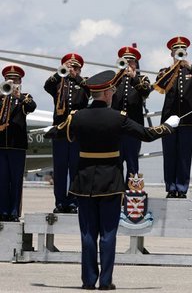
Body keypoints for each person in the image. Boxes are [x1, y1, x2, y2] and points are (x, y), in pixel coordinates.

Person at [44, 70, 180, 290]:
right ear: (107, 93)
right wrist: (168, 127)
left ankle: (88, 281)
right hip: (110, 182)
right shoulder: (119, 118)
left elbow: (55, 132)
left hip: (84, 183)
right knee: (108, 235)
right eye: (112, 91)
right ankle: (105, 281)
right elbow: (147, 134)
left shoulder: (77, 117)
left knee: (88, 235)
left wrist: (47, 131)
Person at [154, 36, 192, 198]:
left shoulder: (191, 71)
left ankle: (182, 188)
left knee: (184, 156)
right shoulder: (165, 71)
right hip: (169, 120)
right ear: (171, 53)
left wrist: (189, 66)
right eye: (176, 51)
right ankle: (171, 187)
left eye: (182, 50)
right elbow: (159, 85)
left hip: (187, 119)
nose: (179, 53)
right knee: (170, 155)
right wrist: (174, 69)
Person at [44, 53, 90, 213]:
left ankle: (73, 201)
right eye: (70, 66)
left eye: (76, 67)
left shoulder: (83, 83)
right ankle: (60, 201)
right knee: (60, 168)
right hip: (60, 131)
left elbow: (89, 90)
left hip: (77, 131)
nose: (72, 69)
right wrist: (60, 72)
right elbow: (47, 85)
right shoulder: (58, 84)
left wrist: (76, 76)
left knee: (76, 168)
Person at [0, 65, 36, 222]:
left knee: (15, 180)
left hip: (17, 146)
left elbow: (31, 107)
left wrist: (18, 96)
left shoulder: (25, 97)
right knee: (1, 180)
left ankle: (14, 211)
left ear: (20, 81)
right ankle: (2, 211)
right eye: (9, 79)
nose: (12, 81)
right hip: (0, 146)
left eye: (15, 79)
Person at [111, 46, 152, 180]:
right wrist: (119, 75)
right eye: (125, 60)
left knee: (132, 163)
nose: (128, 63)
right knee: (116, 162)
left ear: (136, 63)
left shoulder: (142, 78)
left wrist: (134, 78)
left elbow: (145, 91)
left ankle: (131, 192)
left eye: (131, 61)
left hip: (134, 127)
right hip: (116, 128)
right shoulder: (115, 78)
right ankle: (117, 192)